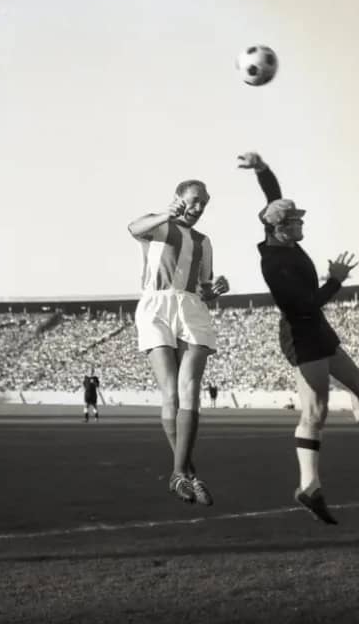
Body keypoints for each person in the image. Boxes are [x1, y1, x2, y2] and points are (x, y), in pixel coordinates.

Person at [237, 151, 359, 525]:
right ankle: (308, 487)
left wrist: (262, 169)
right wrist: (336, 280)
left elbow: (272, 198)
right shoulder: (274, 263)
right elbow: (304, 306)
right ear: (278, 228)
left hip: (318, 330)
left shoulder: (281, 240)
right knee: (315, 413)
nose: (298, 224)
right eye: (292, 221)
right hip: (302, 334)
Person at [128, 179, 229, 506]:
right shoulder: (159, 226)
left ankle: (178, 475)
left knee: (189, 391)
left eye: (204, 204)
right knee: (170, 391)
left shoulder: (204, 242)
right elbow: (133, 227)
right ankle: (186, 474)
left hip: (190, 308)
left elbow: (204, 289)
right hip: (156, 305)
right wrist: (164, 214)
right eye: (194, 201)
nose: (199, 208)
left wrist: (215, 291)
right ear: (178, 199)